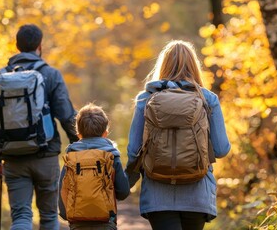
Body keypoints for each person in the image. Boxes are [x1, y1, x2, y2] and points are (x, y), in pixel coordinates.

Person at [125, 40, 231, 230]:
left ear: (163, 65)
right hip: (197, 194)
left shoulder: (146, 98)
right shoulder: (207, 99)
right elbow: (222, 149)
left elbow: (134, 151)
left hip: (158, 196)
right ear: (194, 66)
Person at [0, 24, 79, 230]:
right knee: (49, 215)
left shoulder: (0, 77)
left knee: (21, 217)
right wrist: (80, 146)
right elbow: (66, 115)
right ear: (40, 46)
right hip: (46, 155)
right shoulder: (51, 74)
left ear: (17, 46)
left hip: (13, 158)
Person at [59, 103, 130, 230]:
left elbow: (63, 191)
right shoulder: (111, 156)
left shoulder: (71, 157)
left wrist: (67, 214)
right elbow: (123, 191)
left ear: (78, 133)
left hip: (77, 223)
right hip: (106, 222)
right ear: (105, 132)